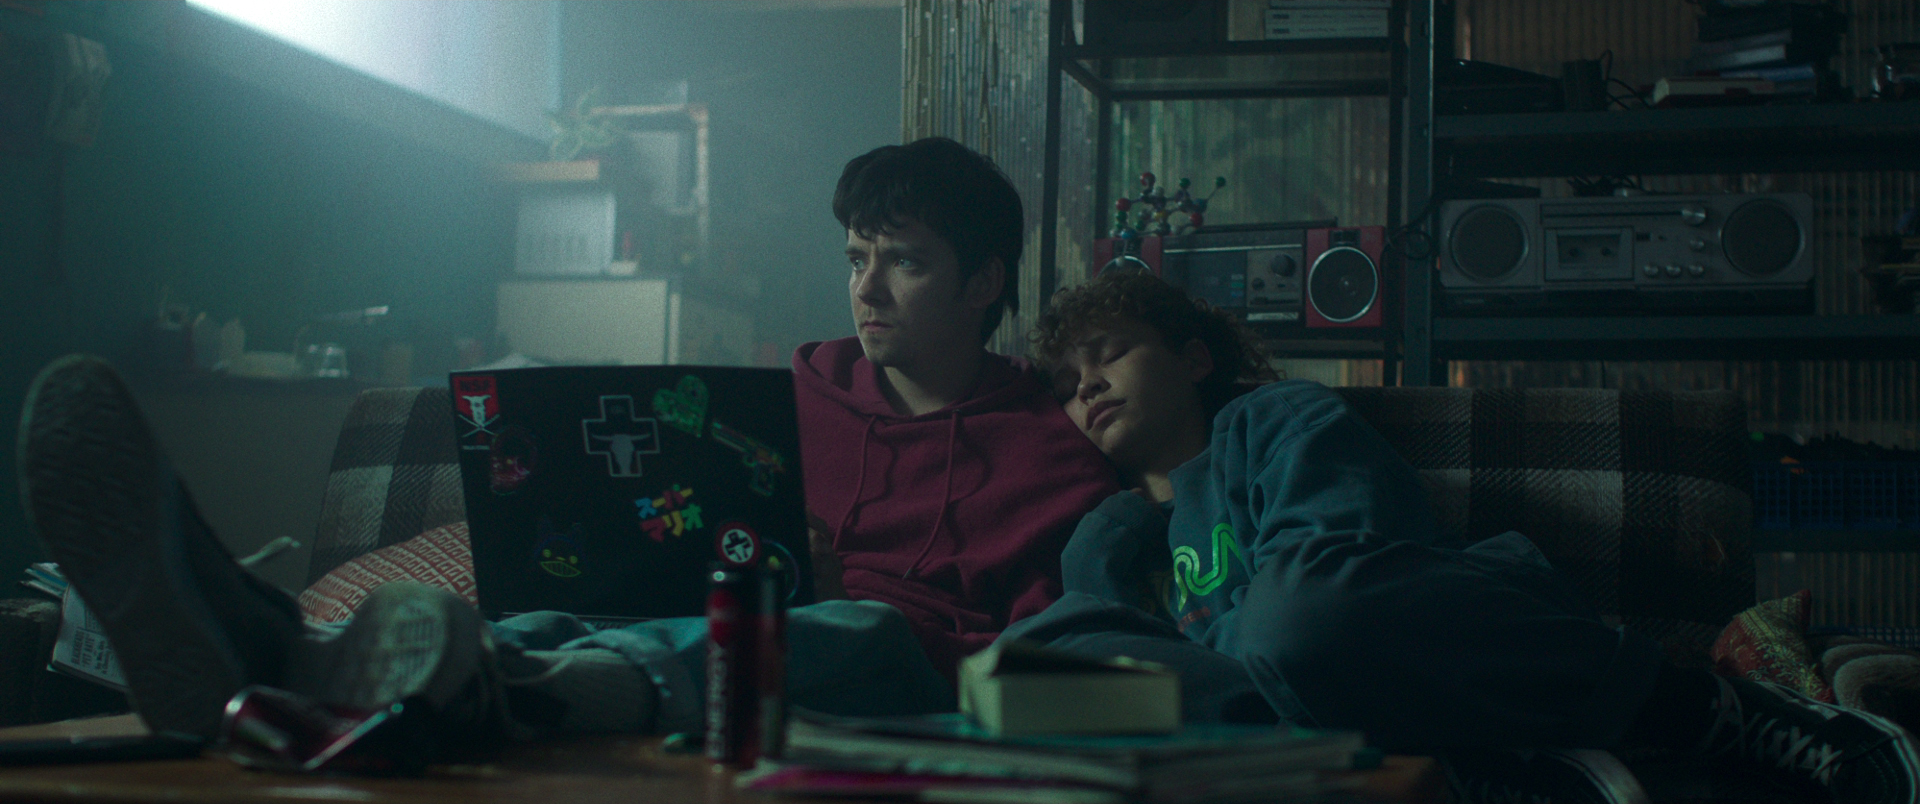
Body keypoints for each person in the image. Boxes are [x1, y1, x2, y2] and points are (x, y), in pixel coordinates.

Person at [14, 137, 1118, 746]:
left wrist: (839, 598)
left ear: (983, 282)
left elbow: (1036, 663)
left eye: (904, 262)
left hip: (877, 672)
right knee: (560, 616)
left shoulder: (1054, 454)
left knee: (860, 627)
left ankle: (468, 685)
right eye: (855, 258)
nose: (865, 290)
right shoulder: (784, 395)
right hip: (700, 631)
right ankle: (283, 650)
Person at [1006, 271, 1920, 804]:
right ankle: (1480, 765)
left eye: (1109, 352)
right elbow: (1119, 706)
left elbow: (1342, 576)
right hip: (1322, 748)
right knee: (1033, 673)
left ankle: (1703, 710)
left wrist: (1210, 674)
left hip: (1414, 639)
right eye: (1065, 382)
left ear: (1194, 358)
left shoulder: (1274, 421)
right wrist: (1102, 553)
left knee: (1301, 612)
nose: (1085, 386)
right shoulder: (1124, 541)